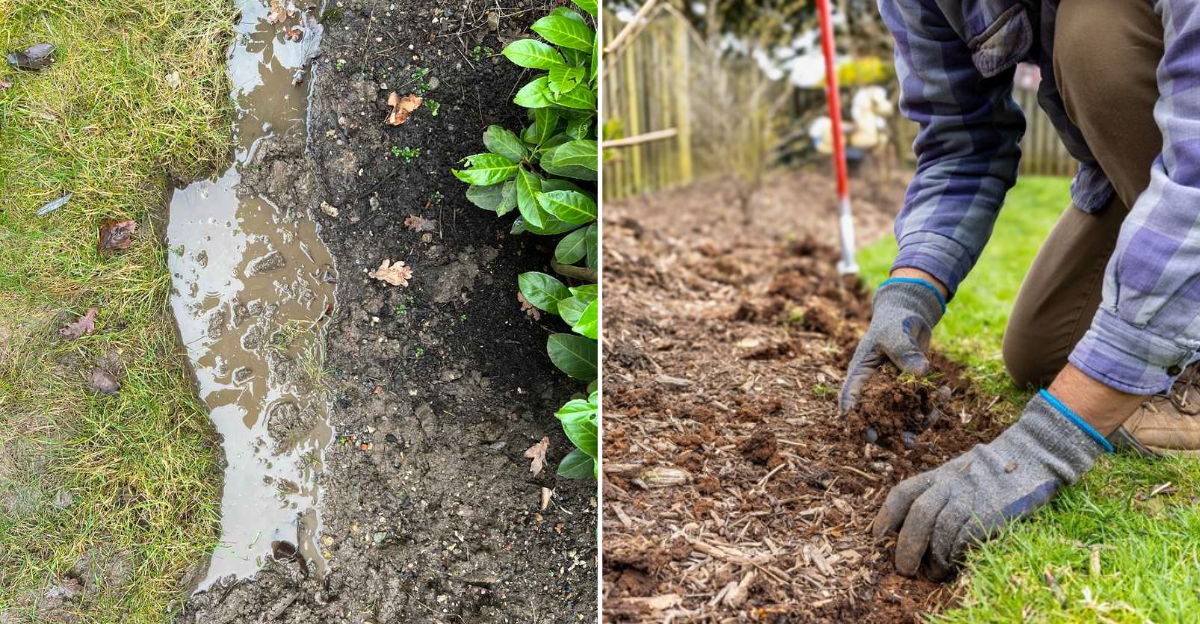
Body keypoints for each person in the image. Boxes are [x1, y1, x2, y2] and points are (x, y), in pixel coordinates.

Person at [839, 0, 1200, 580]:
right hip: (1136, 179)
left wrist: (1046, 444)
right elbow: (961, 141)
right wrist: (910, 291)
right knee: (1041, 355)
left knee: (1094, 33)